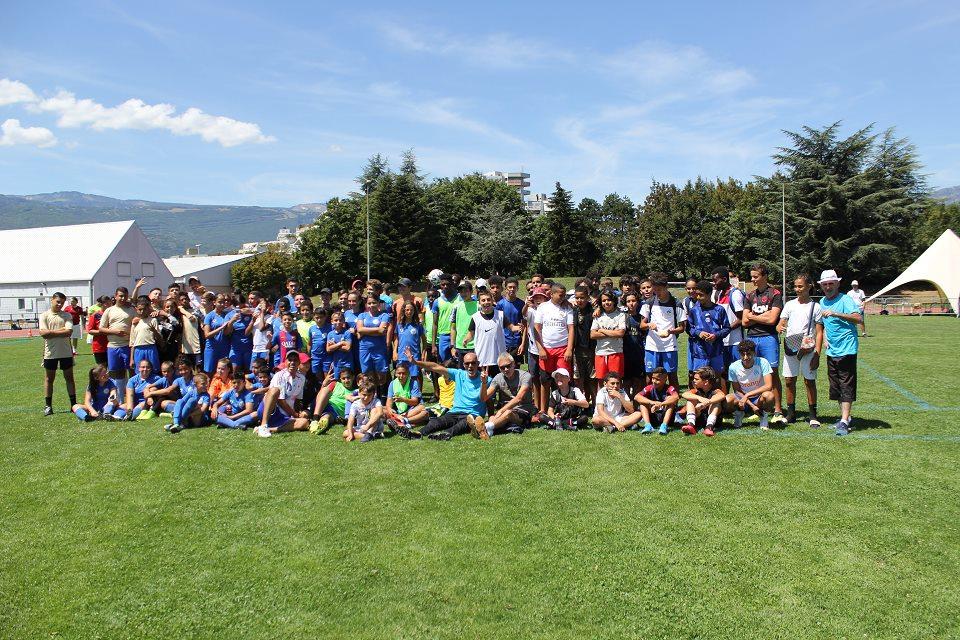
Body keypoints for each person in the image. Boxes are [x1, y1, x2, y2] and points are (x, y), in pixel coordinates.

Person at [397, 348, 487, 441]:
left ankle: (444, 434)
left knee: (461, 425)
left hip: (473, 414)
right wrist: (415, 362)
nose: (470, 366)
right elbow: (435, 367)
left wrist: (484, 383)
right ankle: (417, 434)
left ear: (478, 364)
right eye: (467, 363)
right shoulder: (459, 374)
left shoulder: (485, 379)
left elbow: (485, 399)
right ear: (463, 365)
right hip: (455, 412)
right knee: (436, 422)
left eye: (473, 363)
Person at [818, 269, 862, 436]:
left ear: (837, 283)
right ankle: (845, 418)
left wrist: (837, 313)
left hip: (847, 349)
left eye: (831, 283)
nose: (828, 287)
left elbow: (858, 318)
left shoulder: (846, 299)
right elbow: (823, 324)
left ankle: (844, 420)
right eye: (825, 284)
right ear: (821, 286)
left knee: (846, 385)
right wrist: (826, 338)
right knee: (836, 387)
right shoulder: (822, 301)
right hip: (832, 351)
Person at [777, 274, 824, 426]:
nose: (797, 289)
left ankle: (812, 415)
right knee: (789, 380)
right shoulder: (789, 304)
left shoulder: (815, 307)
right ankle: (791, 414)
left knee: (809, 381)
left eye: (800, 286)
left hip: (807, 349)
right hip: (791, 347)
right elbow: (781, 322)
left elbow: (819, 332)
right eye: (795, 286)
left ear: (809, 286)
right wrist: (779, 326)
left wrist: (817, 353)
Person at [742, 263, 785, 424]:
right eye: (751, 276)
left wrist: (753, 316)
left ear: (764, 276)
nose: (752, 279)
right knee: (756, 374)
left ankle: (778, 410)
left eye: (755, 276)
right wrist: (762, 316)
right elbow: (745, 322)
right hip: (752, 337)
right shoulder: (750, 295)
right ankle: (758, 408)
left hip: (769, 337)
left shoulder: (775, 293)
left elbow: (773, 319)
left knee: (772, 374)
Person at [639, 272, 686, 390]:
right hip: (652, 346)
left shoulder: (676, 303)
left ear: (666, 287)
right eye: (655, 290)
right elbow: (642, 325)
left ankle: (673, 404)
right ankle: (649, 402)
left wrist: (670, 332)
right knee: (650, 377)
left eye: (659, 290)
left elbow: (682, 328)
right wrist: (649, 324)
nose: (657, 293)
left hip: (669, 346)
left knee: (672, 376)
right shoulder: (649, 302)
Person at [533, 282, 575, 412]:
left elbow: (571, 329)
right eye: (560, 295)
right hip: (546, 350)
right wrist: (540, 348)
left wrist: (569, 349)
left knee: (563, 380)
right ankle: (543, 410)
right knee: (545, 381)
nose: (563, 298)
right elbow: (536, 328)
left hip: (562, 349)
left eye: (564, 296)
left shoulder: (567, 308)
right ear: (551, 294)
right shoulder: (543, 307)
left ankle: (565, 410)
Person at [476, 352, 535, 439]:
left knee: (508, 413)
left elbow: (518, 398)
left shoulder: (525, 376)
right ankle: (488, 431)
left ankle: (484, 428)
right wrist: (484, 382)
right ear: (499, 368)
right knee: (492, 417)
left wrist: (501, 411)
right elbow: (483, 398)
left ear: (514, 364)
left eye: (508, 366)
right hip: (504, 413)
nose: (506, 369)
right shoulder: (498, 378)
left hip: (522, 412)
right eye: (502, 368)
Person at [253, 351, 311, 437]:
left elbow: (298, 400)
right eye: (289, 360)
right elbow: (280, 400)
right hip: (271, 410)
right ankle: (263, 425)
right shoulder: (279, 375)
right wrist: (295, 414)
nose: (292, 363)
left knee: (304, 422)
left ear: (299, 363)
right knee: (274, 390)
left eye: (295, 360)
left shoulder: (301, 378)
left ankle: (269, 429)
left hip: (284, 415)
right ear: (285, 362)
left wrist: (299, 413)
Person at [463, 291, 521, 375]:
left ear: (492, 301)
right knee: (484, 385)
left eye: (488, 300)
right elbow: (471, 333)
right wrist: (466, 340)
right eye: (483, 300)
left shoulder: (500, 315)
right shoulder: (475, 317)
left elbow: (511, 327)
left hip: (499, 358)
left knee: (499, 385)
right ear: (479, 303)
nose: (486, 302)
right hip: (482, 358)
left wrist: (519, 327)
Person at [39, 292, 77, 416]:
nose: (60, 304)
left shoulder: (67, 315)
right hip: (50, 353)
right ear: (52, 300)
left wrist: (50, 332)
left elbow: (68, 332)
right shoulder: (44, 315)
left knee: (69, 378)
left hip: (66, 352)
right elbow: (43, 334)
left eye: (62, 302)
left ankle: (73, 405)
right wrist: (60, 330)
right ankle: (48, 406)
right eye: (58, 301)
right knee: (49, 379)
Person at [725, 340, 775, 430]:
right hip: (742, 397)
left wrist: (748, 395)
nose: (745, 357)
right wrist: (751, 405)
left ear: (754, 353)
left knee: (769, 396)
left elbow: (768, 386)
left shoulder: (763, 362)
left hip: (758, 397)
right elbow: (736, 390)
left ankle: (763, 416)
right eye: (742, 354)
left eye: (748, 354)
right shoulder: (733, 367)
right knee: (727, 400)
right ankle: (739, 413)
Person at [710, 266, 746, 390]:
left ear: (724, 279)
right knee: (723, 372)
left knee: (737, 373)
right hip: (721, 341)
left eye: (716, 280)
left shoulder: (735, 294)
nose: (713, 283)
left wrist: (725, 330)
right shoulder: (718, 295)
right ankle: (725, 403)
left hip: (735, 342)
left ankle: (740, 404)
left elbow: (742, 319)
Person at [687, 280, 730, 374]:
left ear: (709, 294)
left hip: (716, 350)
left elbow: (727, 328)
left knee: (717, 378)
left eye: (701, 295)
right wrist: (699, 333)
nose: (698, 297)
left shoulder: (719, 310)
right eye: (697, 294)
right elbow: (689, 328)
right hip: (699, 352)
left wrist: (716, 335)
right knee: (700, 379)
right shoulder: (694, 311)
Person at [99, 286, 136, 392]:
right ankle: (119, 400)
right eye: (120, 296)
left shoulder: (131, 309)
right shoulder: (109, 310)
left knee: (132, 372)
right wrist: (115, 332)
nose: (123, 298)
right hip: (113, 346)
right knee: (116, 374)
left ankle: (133, 399)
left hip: (128, 346)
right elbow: (101, 329)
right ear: (115, 296)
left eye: (125, 296)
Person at [591, 289, 626, 397]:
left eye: (609, 300)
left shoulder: (620, 315)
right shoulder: (598, 315)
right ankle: (602, 404)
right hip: (600, 353)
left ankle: (617, 405)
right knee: (601, 381)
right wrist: (612, 333)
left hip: (615, 352)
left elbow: (620, 333)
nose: (607, 302)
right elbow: (593, 335)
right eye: (604, 300)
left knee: (616, 381)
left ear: (614, 300)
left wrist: (602, 330)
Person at [520, 285, 549, 413]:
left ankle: (545, 407)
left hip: (545, 350)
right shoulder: (531, 310)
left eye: (540, 297)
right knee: (534, 379)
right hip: (532, 350)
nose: (538, 299)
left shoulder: (548, 310)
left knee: (545, 380)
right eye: (535, 297)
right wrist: (526, 305)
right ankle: (536, 406)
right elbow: (524, 313)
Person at [355, 295, 393, 394]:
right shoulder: (362, 315)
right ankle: (373, 396)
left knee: (382, 375)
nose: (371, 305)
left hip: (379, 349)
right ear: (366, 304)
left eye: (374, 303)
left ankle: (383, 397)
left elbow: (382, 330)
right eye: (369, 303)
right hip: (365, 349)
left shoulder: (384, 315)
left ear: (378, 303)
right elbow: (359, 329)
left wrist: (365, 331)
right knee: (367, 375)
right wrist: (377, 330)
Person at [633, 366, 680, 435]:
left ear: (665, 379)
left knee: (671, 402)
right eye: (653, 378)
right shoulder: (650, 387)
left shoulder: (669, 388)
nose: (654, 381)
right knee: (642, 403)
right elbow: (636, 397)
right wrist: (653, 402)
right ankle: (648, 426)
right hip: (653, 416)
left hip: (667, 418)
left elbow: (676, 397)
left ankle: (664, 426)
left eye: (657, 379)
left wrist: (661, 404)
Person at [309, 366, 357, 434]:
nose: (346, 380)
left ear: (353, 377)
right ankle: (315, 419)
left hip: (336, 413)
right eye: (343, 378)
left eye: (348, 378)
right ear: (340, 379)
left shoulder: (356, 391)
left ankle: (319, 427)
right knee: (325, 389)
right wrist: (323, 384)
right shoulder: (335, 384)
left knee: (327, 417)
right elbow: (321, 394)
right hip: (324, 405)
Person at [681, 366, 725, 436]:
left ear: (706, 382)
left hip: (714, 421)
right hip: (699, 419)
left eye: (696, 379)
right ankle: (691, 424)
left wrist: (707, 402)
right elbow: (684, 394)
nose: (693, 381)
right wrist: (699, 398)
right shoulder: (697, 391)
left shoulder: (715, 390)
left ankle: (709, 427)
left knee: (716, 403)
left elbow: (722, 395)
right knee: (690, 400)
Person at [385, 361, 428, 429]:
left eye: (404, 373)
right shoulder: (392, 383)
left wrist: (403, 399)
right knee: (382, 409)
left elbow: (415, 402)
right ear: (395, 374)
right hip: (398, 412)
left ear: (408, 374)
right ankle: (405, 422)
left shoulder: (414, 383)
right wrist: (390, 410)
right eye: (399, 373)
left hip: (412, 410)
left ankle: (402, 421)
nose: (401, 376)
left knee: (423, 410)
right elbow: (389, 401)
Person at [572, 286, 596, 403]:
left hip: (591, 350)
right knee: (578, 379)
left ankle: (595, 404)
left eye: (582, 297)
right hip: (577, 350)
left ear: (587, 297)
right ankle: (581, 404)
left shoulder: (593, 311)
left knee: (592, 379)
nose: (579, 300)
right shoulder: (573, 311)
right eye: (577, 298)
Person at [492, 276, 525, 360]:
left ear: (517, 289)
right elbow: (496, 324)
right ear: (506, 289)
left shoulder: (521, 304)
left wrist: (523, 344)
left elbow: (524, 325)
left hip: (517, 342)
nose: (512, 289)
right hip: (503, 342)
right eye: (510, 287)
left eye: (514, 287)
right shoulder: (500, 304)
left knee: (515, 368)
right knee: (503, 366)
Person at [430, 273, 460, 364]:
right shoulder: (437, 301)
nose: (445, 286)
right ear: (440, 285)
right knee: (443, 365)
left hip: (457, 336)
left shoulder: (460, 298)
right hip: (443, 337)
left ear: (452, 284)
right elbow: (435, 324)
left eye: (448, 284)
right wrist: (433, 345)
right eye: (443, 284)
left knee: (458, 364)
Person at [129, 296, 162, 372]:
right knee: (140, 372)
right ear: (136, 310)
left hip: (151, 348)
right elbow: (132, 342)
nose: (142, 311)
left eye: (144, 309)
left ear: (148, 309)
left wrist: (154, 330)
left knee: (153, 370)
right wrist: (131, 359)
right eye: (140, 309)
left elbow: (159, 338)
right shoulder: (135, 322)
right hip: (138, 349)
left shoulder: (153, 320)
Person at [202, 294, 233, 374]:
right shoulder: (209, 316)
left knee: (223, 372)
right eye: (220, 302)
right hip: (212, 349)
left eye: (224, 302)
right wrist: (221, 328)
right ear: (214, 302)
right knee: (210, 373)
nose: (222, 304)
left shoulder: (227, 314)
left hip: (224, 348)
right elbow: (207, 335)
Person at [449, 280, 479, 363]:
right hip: (460, 346)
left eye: (466, 291)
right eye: (461, 292)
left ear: (471, 292)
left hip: (475, 346)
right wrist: (453, 346)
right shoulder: (456, 307)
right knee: (462, 373)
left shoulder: (478, 306)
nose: (463, 293)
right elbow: (453, 328)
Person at [177, 291, 203, 367]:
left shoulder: (196, 311)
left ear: (189, 299)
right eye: (181, 300)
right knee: (186, 368)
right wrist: (182, 311)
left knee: (197, 368)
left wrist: (184, 311)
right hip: (184, 347)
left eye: (185, 299)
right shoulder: (178, 313)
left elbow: (196, 319)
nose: (184, 301)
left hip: (197, 345)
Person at [325, 310, 354, 378]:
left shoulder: (347, 332)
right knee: (337, 380)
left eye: (340, 320)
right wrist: (341, 343)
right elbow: (328, 349)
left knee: (348, 380)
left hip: (347, 363)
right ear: (332, 321)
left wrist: (334, 345)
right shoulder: (330, 334)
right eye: (336, 320)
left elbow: (347, 348)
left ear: (343, 321)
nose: (338, 322)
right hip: (337, 364)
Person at [86, 295, 111, 366]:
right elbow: (90, 330)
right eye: (107, 303)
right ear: (102, 304)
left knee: (112, 368)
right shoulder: (95, 315)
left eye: (110, 303)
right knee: (102, 368)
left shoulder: (112, 314)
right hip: (99, 347)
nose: (109, 305)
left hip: (112, 345)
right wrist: (103, 332)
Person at [155, 298, 182, 364]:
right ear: (164, 308)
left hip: (172, 347)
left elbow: (176, 325)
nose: (169, 308)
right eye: (167, 307)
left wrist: (167, 315)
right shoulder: (158, 319)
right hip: (160, 346)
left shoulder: (178, 319)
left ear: (175, 308)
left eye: (172, 307)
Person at [308, 307, 333, 378]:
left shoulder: (331, 327)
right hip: (315, 356)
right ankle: (319, 386)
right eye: (317, 317)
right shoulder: (312, 329)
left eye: (321, 317)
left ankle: (327, 387)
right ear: (313, 317)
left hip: (327, 355)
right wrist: (309, 354)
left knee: (327, 374)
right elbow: (310, 343)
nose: (319, 320)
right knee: (317, 374)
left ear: (325, 317)